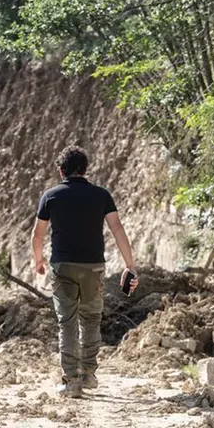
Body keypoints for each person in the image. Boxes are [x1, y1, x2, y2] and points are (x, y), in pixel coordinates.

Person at [31, 146, 138, 398]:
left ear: (61, 170)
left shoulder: (51, 196)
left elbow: (37, 235)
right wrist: (129, 265)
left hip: (63, 267)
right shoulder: (101, 196)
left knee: (67, 322)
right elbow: (117, 230)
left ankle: (71, 381)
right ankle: (89, 374)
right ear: (85, 169)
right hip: (94, 267)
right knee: (90, 319)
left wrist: (39, 260)